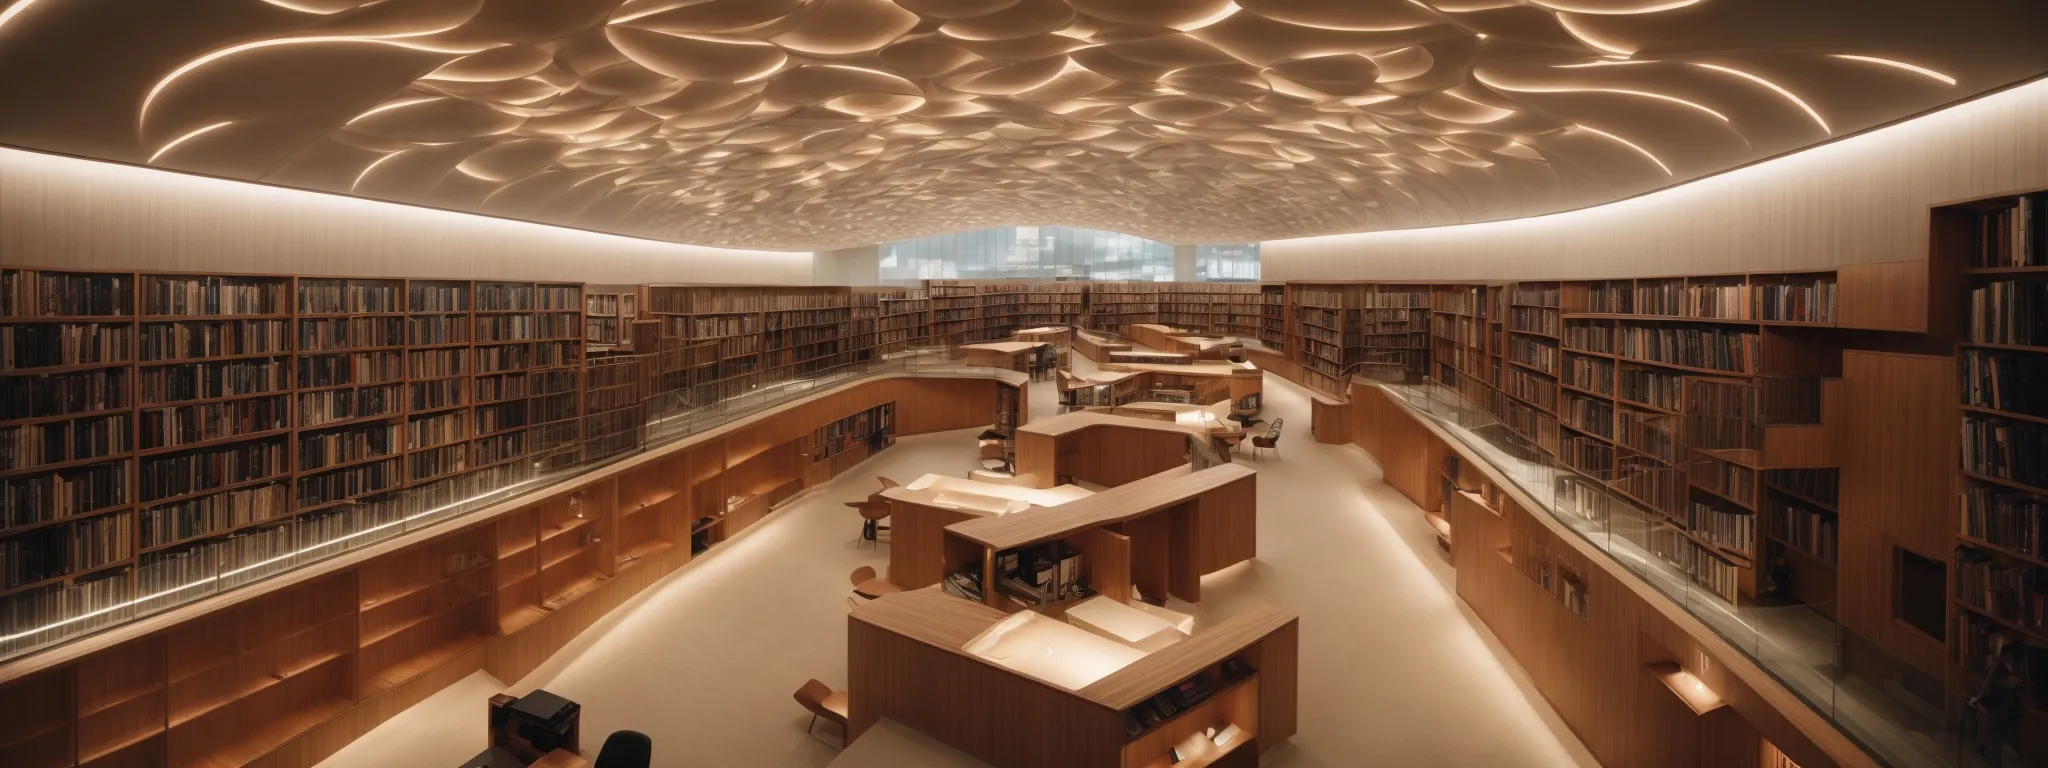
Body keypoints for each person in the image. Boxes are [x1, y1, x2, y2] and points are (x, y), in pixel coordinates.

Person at [1966, 648, 2026, 766]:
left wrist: (1981, 702)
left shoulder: (1999, 674)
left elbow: (1992, 692)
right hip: (2001, 716)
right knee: (1994, 743)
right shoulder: (2004, 674)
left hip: (1998, 716)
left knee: (1994, 745)